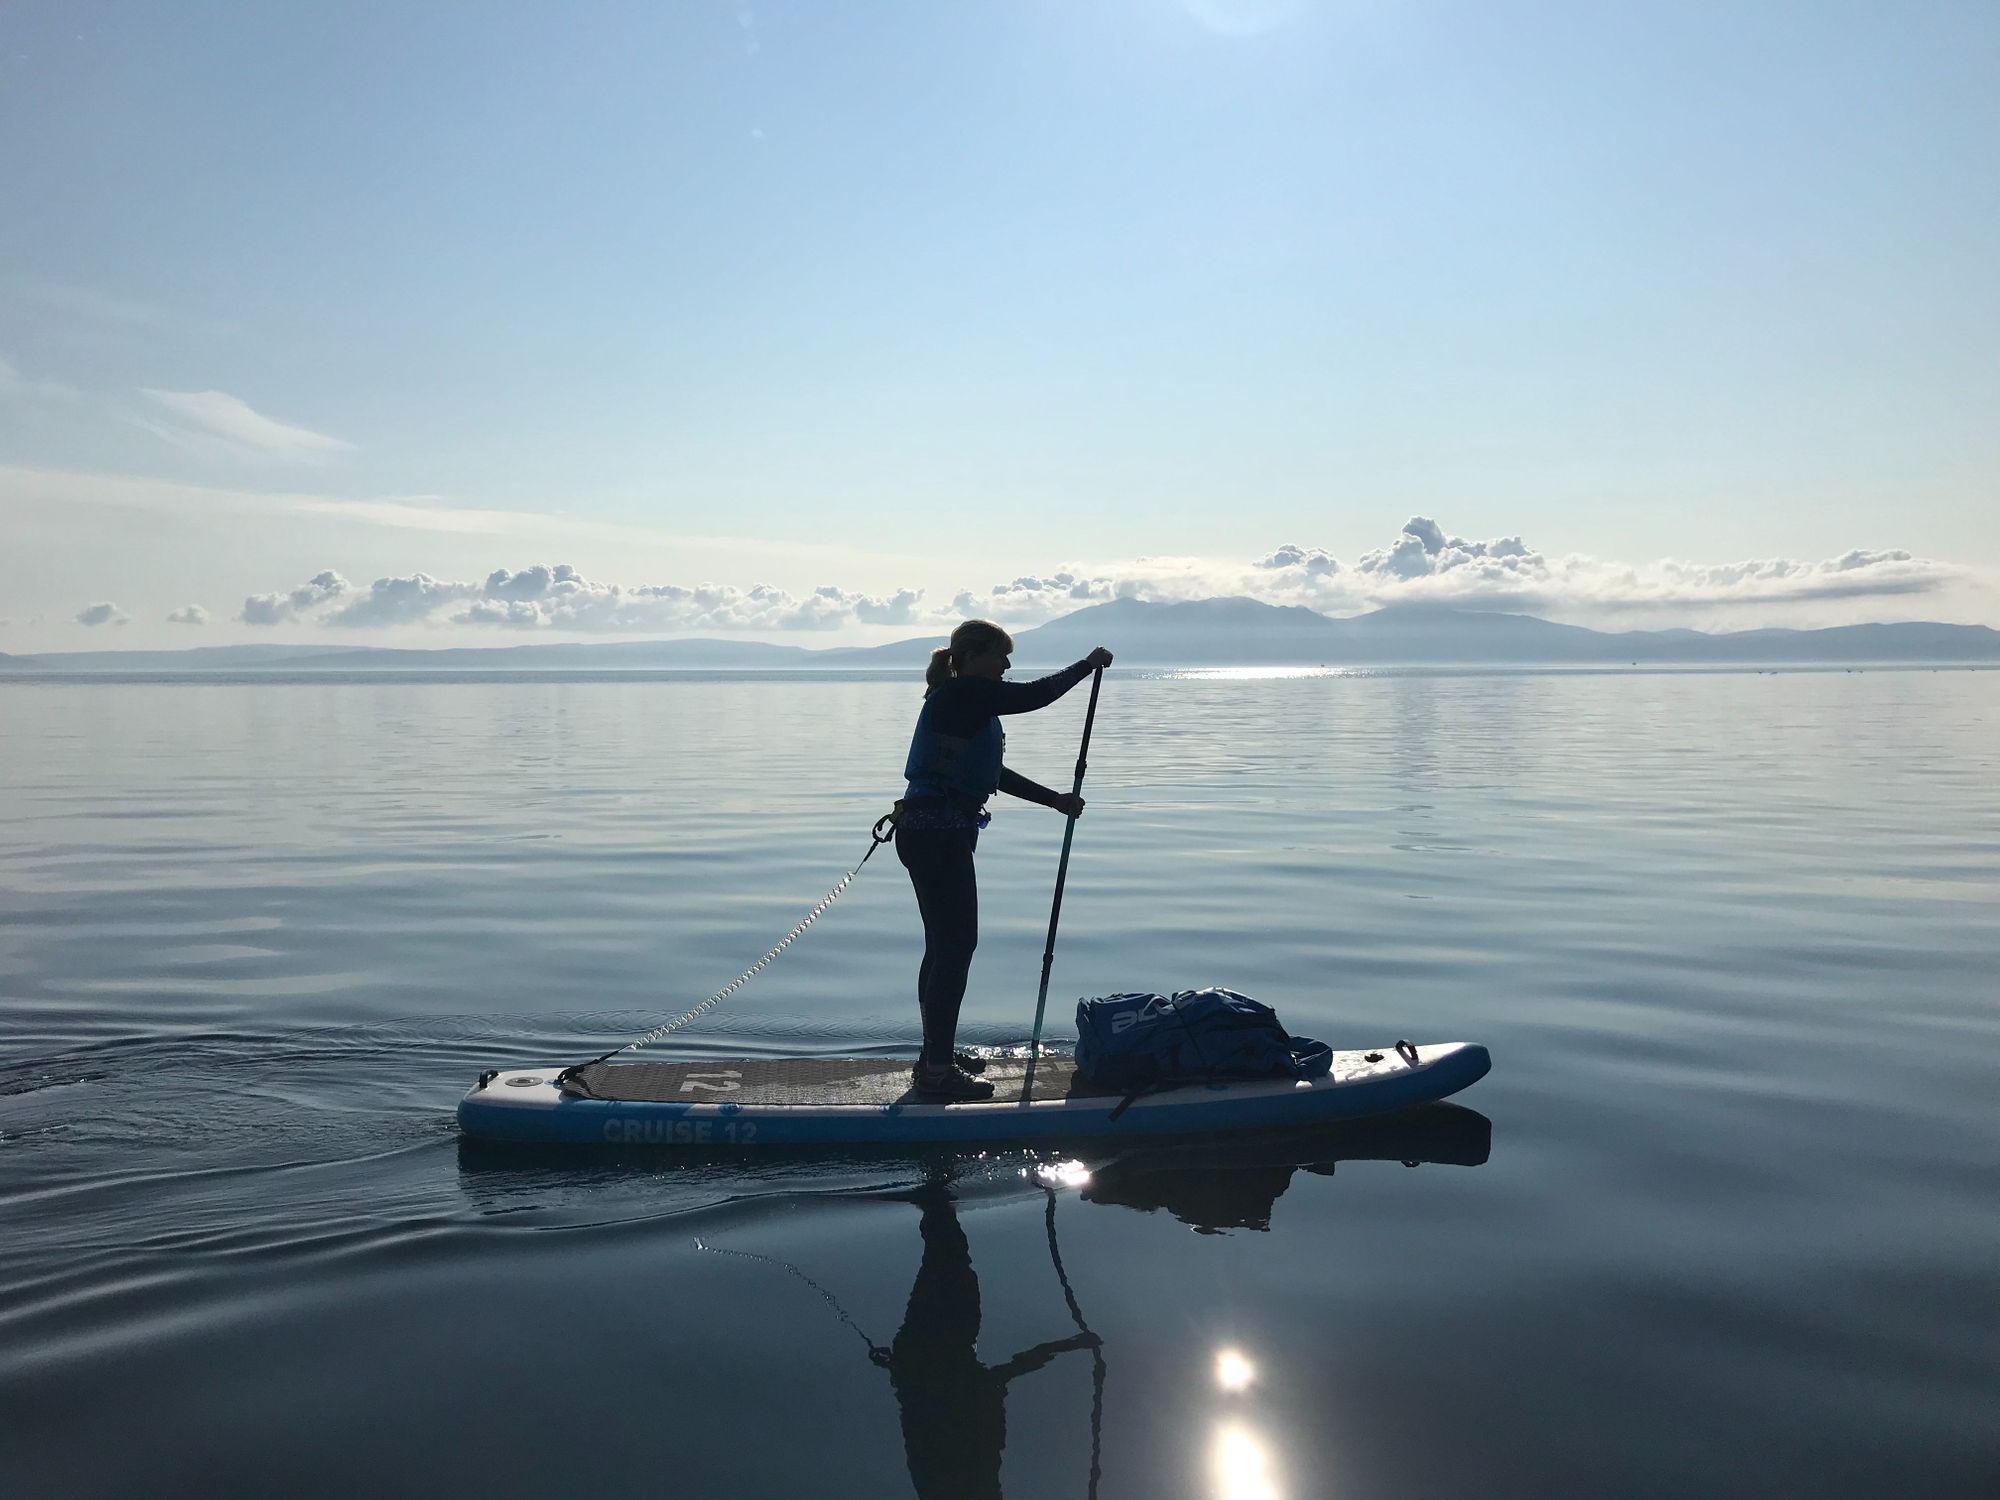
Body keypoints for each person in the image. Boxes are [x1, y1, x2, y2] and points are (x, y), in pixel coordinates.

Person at [896, 619, 1113, 1100]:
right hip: (936, 835)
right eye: (1001, 656)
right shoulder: (963, 693)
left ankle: (936, 1055)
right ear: (972, 657)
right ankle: (936, 1072)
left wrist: (1053, 800)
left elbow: (989, 771)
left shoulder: (964, 701)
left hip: (933, 832)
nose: (1008, 665)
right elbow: (1033, 697)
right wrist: (1086, 664)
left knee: (944, 948)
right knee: (954, 948)